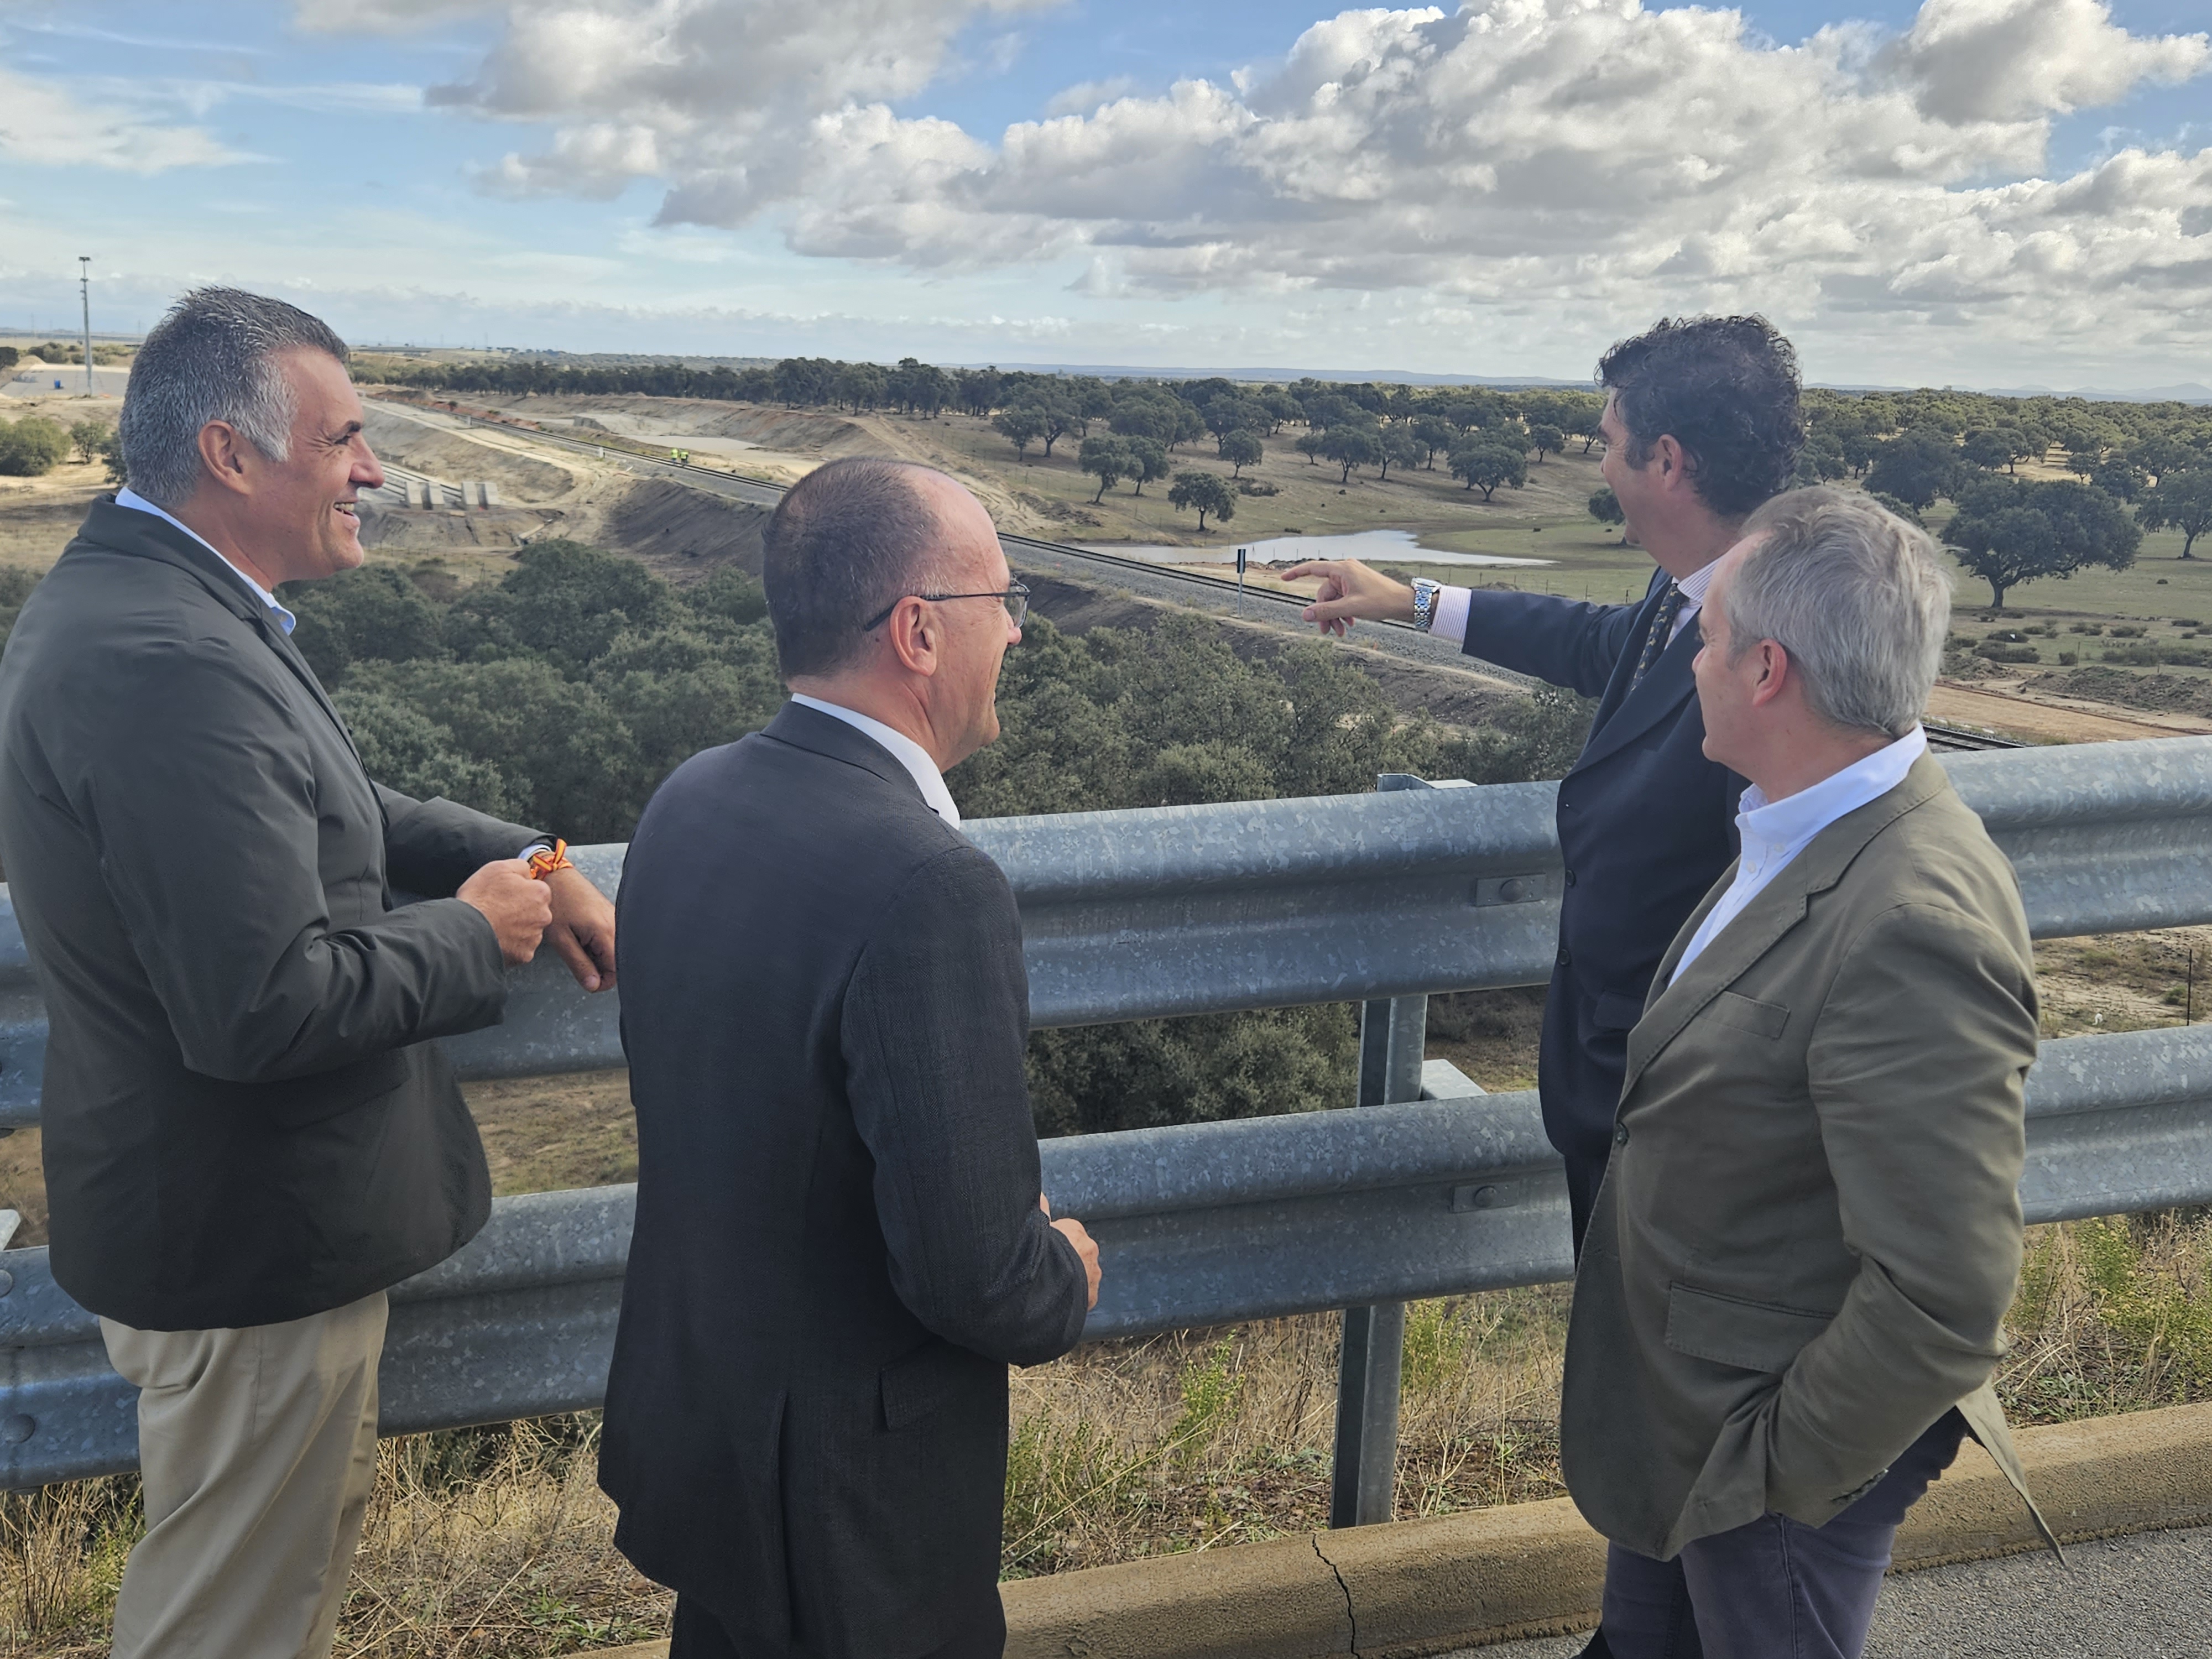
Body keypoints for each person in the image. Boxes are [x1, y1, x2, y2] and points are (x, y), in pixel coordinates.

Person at [0, 288, 618, 1659]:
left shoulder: (163, 605)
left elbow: (344, 807)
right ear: (231, 454)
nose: (376, 471)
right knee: (229, 1623)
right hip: (247, 1245)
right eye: (345, 438)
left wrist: (532, 853)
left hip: (235, 1229)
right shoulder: (170, 662)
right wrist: (477, 929)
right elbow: (262, 1004)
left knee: (265, 1593)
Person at [601, 456, 1102, 1659]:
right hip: (850, 1510)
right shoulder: (929, 884)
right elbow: (973, 1276)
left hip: (712, 1445)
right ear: (918, 632)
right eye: (1003, 603)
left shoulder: (690, 797)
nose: (1019, 636)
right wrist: (1061, 1272)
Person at [1559, 487, 2054, 1659]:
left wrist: (1773, 1473)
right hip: (1685, 1416)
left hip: (1759, 1457)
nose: (1690, 661)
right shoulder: (1794, 825)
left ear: (1765, 671)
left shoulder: (1908, 918)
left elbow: (1944, 1293)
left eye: (1706, 637)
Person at [1284, 316, 1803, 1247]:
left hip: (1681, 1124)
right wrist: (1416, 602)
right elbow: (1603, 644)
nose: (1600, 465)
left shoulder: (1768, 660)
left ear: (1668, 462)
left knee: (1657, 1369)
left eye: (1609, 444)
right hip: (1622, 1092)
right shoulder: (1698, 593)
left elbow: (1779, 917)